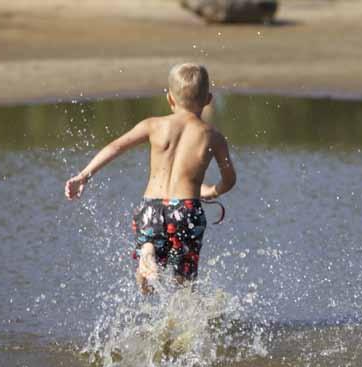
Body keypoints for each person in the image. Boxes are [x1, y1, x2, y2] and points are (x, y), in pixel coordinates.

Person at [65, 63, 236, 294]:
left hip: (151, 208)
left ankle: (147, 253)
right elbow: (229, 179)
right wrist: (212, 191)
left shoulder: (154, 125)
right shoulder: (213, 136)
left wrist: (84, 175)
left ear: (170, 99)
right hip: (185, 210)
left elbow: (116, 147)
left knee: (145, 284)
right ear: (208, 99)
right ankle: (183, 321)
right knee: (184, 284)